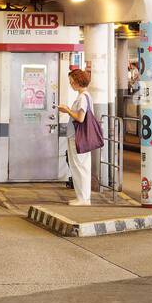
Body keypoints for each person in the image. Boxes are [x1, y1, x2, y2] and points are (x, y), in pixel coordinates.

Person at [56, 68, 94, 205]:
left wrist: (67, 110)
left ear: (78, 82)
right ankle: (83, 197)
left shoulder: (83, 97)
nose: (71, 84)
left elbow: (80, 118)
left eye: (72, 82)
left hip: (78, 137)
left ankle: (83, 198)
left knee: (79, 167)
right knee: (81, 166)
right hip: (80, 137)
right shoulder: (86, 96)